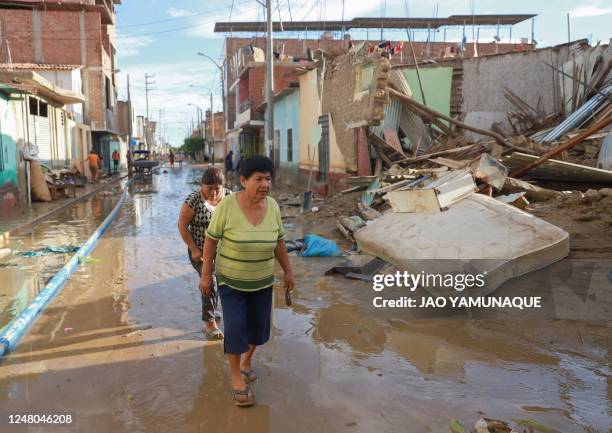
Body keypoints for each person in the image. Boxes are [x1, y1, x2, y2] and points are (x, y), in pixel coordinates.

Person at [200, 155, 294, 407]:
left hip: (262, 281)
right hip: (231, 281)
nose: (265, 184)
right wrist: (206, 274)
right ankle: (236, 378)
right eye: (259, 179)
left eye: (268, 179)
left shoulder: (273, 206)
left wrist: (288, 272)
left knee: (257, 330)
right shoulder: (227, 206)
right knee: (235, 327)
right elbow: (211, 241)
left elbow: (279, 242)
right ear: (243, 181)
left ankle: (245, 361)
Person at [178, 167, 231, 340]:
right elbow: (182, 225)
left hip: (224, 252)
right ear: (202, 186)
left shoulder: (230, 198)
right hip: (200, 251)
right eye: (209, 189)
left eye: (217, 188)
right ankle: (209, 323)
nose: (214, 193)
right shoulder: (193, 201)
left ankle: (213, 311)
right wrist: (193, 248)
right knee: (210, 280)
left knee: (223, 282)